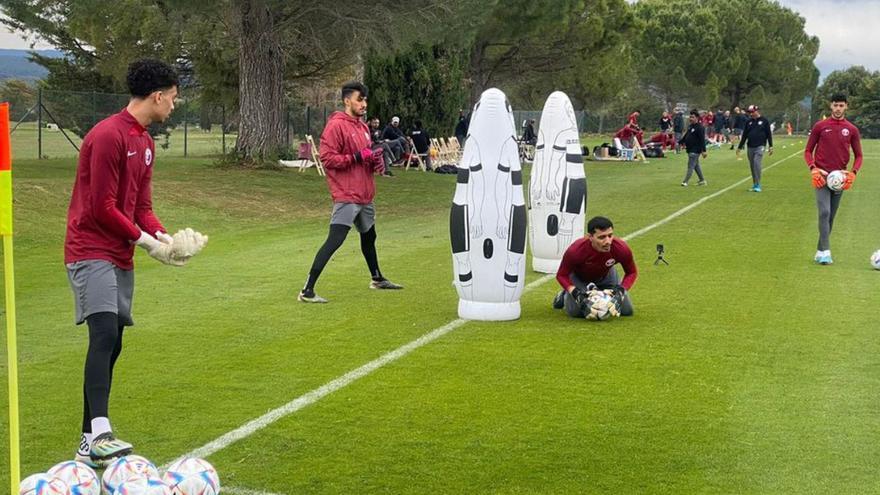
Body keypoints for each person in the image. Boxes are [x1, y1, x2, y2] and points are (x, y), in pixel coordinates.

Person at [65, 59, 208, 466]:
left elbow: (140, 206)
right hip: (90, 248)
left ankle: (87, 438)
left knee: (113, 343)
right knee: (104, 333)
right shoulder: (108, 136)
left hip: (119, 252)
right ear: (158, 95)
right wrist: (148, 245)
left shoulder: (143, 143)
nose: (174, 107)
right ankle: (102, 432)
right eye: (174, 99)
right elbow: (101, 208)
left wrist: (165, 237)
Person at [299, 81, 403, 303]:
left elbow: (364, 155)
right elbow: (327, 159)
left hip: (365, 194)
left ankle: (376, 278)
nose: (364, 104)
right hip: (347, 194)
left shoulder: (363, 126)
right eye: (360, 99)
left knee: (369, 236)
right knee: (335, 240)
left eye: (365, 99)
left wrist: (375, 162)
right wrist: (358, 157)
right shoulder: (336, 126)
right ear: (347, 101)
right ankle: (307, 290)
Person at [803, 93, 863, 265]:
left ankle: (820, 250)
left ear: (846, 107)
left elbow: (859, 156)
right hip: (821, 176)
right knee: (824, 212)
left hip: (839, 179)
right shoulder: (820, 126)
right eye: (835, 105)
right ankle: (827, 252)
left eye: (841, 105)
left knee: (831, 217)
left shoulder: (851, 129)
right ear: (831, 106)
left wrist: (853, 173)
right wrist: (813, 169)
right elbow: (808, 151)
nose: (838, 108)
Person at [551, 216, 637, 318]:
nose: (608, 241)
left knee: (626, 311)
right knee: (576, 313)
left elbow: (631, 272)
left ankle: (600, 293)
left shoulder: (621, 248)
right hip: (580, 278)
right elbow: (561, 275)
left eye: (610, 235)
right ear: (590, 237)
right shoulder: (575, 251)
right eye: (602, 237)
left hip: (607, 276)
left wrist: (621, 291)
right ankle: (563, 296)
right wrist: (574, 292)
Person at [737, 104, 773, 192]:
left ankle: (758, 184)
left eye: (752, 112)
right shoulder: (748, 122)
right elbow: (745, 135)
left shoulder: (764, 121)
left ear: (756, 111)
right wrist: (740, 147)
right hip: (750, 146)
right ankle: (755, 184)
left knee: (757, 163)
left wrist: (771, 146)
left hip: (760, 146)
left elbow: (769, 134)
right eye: (749, 112)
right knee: (752, 166)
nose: (751, 114)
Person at [678, 109, 707, 186]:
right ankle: (702, 180)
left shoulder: (700, 127)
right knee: (696, 165)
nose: (691, 118)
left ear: (697, 118)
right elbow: (686, 136)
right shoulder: (691, 126)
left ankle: (685, 181)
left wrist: (704, 151)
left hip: (696, 150)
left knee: (690, 166)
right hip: (690, 149)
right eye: (690, 117)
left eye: (692, 117)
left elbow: (702, 140)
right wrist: (680, 142)